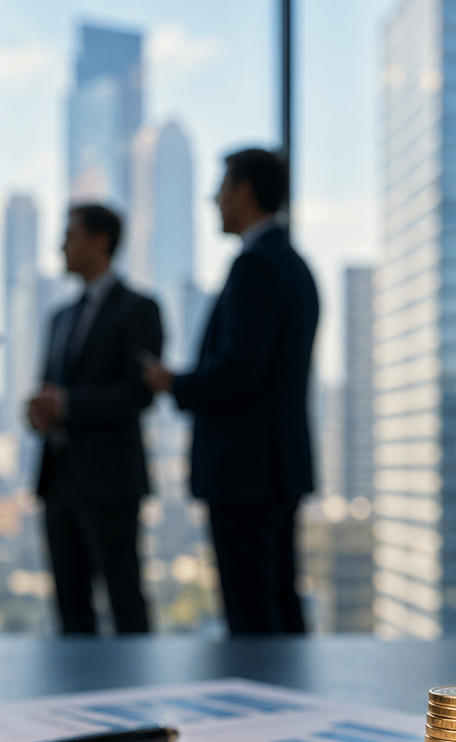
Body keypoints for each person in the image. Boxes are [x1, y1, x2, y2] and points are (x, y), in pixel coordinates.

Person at [143, 149, 319, 635]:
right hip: (277, 467)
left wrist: (174, 382)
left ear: (243, 194)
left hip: (246, 471)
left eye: (221, 190)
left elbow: (240, 370)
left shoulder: (254, 266)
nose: (214, 201)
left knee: (252, 613)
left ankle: (261, 689)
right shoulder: (294, 265)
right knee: (279, 604)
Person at [28, 204, 162, 635]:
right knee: (69, 609)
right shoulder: (59, 317)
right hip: (58, 478)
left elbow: (139, 393)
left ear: (100, 242)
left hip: (111, 480)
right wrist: (40, 411)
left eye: (71, 236)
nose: (61, 247)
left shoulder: (139, 309)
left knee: (125, 600)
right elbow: (51, 387)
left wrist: (68, 404)